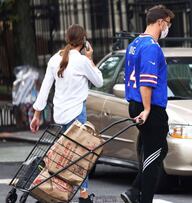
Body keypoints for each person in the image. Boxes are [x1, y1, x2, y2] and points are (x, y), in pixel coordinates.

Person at [30, 24, 103, 203]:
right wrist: (91, 58)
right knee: (81, 156)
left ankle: (52, 189)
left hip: (59, 114)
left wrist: (37, 115)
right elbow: (99, 81)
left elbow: (45, 89)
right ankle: (84, 196)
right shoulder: (82, 61)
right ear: (83, 41)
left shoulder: (54, 59)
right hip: (77, 114)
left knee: (63, 155)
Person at [121, 5, 174, 203]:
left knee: (156, 150)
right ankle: (141, 197)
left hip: (134, 102)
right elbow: (146, 81)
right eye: (168, 24)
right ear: (160, 22)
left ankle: (135, 191)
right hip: (149, 106)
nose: (168, 28)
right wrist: (148, 108)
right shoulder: (151, 47)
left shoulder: (135, 43)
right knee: (155, 153)